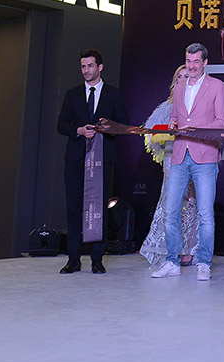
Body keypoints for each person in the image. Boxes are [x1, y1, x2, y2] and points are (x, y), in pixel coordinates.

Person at [152, 43, 224, 282]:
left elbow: (221, 123)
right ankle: (172, 261)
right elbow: (175, 117)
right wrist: (173, 124)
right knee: (171, 212)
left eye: (196, 61)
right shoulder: (180, 86)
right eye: (189, 61)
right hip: (179, 155)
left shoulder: (217, 86)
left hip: (205, 157)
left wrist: (194, 128)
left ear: (205, 63)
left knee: (206, 214)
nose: (192, 66)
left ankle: (204, 263)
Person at [56, 49, 126, 275]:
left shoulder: (113, 94)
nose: (86, 70)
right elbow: (61, 125)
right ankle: (73, 260)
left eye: (90, 66)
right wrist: (77, 130)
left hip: (102, 158)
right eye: (83, 66)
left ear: (100, 67)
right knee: (74, 208)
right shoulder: (73, 94)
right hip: (76, 158)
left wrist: (106, 127)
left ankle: (97, 259)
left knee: (99, 208)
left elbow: (123, 124)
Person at [139, 65, 200, 267]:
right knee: (172, 202)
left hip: (193, 158)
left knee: (192, 201)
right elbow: (150, 134)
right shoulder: (165, 107)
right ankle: (169, 248)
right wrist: (164, 136)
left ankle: (189, 249)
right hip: (172, 159)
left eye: (186, 76)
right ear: (174, 82)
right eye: (179, 77)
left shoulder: (197, 105)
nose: (183, 79)